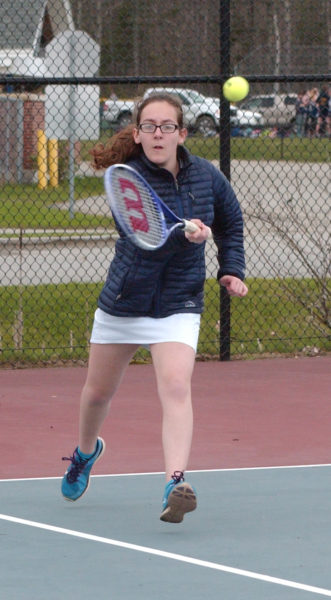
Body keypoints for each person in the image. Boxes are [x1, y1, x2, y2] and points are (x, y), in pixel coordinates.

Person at [61, 92, 248, 524]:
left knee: (177, 386)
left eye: (167, 126)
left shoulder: (206, 177)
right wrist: (184, 236)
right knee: (97, 394)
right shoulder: (127, 180)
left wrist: (230, 268)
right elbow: (145, 245)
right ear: (138, 133)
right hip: (125, 303)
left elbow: (231, 222)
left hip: (179, 303)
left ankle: (175, 482)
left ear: (182, 133)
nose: (158, 134)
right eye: (149, 126)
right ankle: (85, 453)